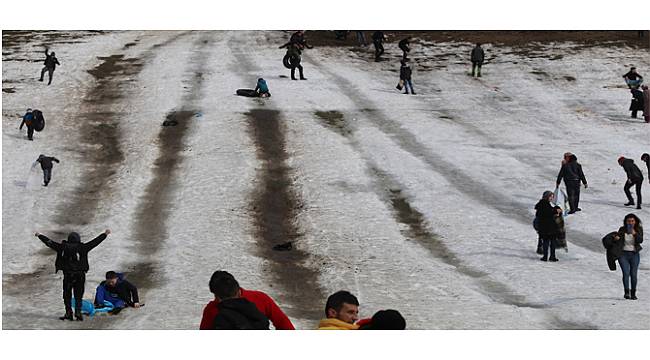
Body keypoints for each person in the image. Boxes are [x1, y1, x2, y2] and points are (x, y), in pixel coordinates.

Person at [35, 229, 111, 321]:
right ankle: (78, 313)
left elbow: (49, 243)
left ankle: (68, 313)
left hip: (68, 275)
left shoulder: (62, 247)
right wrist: (104, 234)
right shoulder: (83, 247)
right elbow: (95, 242)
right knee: (78, 295)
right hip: (80, 275)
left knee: (67, 295)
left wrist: (40, 235)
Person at [200, 270, 294, 330]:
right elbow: (284, 323)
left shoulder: (212, 310)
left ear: (217, 296)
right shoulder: (260, 298)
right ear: (237, 288)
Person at [612, 214, 643, 300]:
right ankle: (626, 292)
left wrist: (635, 234)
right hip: (623, 254)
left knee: (633, 274)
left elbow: (640, 240)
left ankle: (633, 293)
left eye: (632, 221)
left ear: (635, 221)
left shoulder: (638, 229)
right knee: (626, 273)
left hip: (634, 254)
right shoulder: (622, 229)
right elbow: (617, 240)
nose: (631, 223)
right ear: (626, 222)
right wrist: (616, 238)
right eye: (629, 221)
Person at [535, 191, 563, 262]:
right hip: (548, 226)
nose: (552, 198)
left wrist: (555, 211)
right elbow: (547, 213)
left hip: (544, 226)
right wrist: (555, 211)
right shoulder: (544, 204)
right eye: (551, 196)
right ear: (547, 197)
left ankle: (546, 256)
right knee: (551, 241)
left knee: (546, 241)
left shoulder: (542, 204)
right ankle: (551, 256)